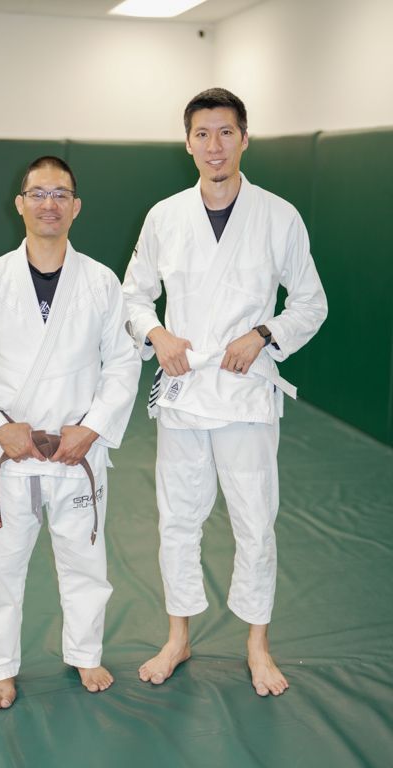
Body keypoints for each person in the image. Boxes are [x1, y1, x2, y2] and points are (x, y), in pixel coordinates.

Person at [122, 88, 327, 697]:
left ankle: (257, 644)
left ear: (245, 138)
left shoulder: (279, 215)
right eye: (203, 135)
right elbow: (133, 296)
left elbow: (312, 304)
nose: (215, 146)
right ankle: (178, 636)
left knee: (255, 521)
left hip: (245, 395)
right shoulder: (164, 216)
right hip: (185, 392)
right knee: (177, 520)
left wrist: (264, 334)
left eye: (226, 133)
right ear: (188, 143)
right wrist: (157, 334)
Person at [0, 155, 141, 709]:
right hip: (14, 453)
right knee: (3, 567)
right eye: (38, 194)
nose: (49, 204)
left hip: (76, 453)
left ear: (75, 207)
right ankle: (0, 667)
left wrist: (94, 428)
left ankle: (85, 653)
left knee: (85, 562)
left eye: (60, 194)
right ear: (20, 203)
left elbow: (123, 364)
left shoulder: (102, 282)